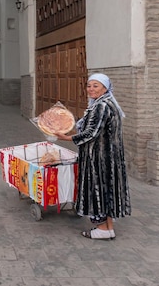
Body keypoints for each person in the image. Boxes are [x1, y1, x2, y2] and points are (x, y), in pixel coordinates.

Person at [56, 73, 131, 240]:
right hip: (109, 158)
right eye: (89, 85)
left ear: (105, 88)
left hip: (98, 158)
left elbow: (91, 133)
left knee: (98, 190)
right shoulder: (107, 103)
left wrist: (67, 138)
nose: (91, 89)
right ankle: (108, 227)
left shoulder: (101, 106)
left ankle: (102, 229)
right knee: (107, 190)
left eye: (95, 86)